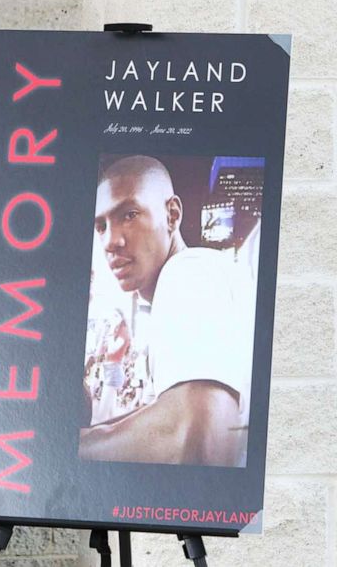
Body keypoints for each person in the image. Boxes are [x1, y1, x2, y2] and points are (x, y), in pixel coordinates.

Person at [79, 155, 252, 467]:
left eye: (129, 215)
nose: (110, 241)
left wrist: (62, 450)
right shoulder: (194, 279)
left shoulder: (187, 272)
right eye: (100, 226)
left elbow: (200, 440)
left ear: (172, 215)